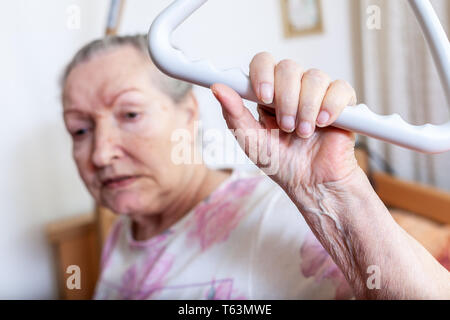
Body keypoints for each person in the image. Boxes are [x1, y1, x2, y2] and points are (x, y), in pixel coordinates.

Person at [61, 34, 450, 299]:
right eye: (79, 129)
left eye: (129, 114)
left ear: (189, 114)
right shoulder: (124, 231)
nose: (100, 154)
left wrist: (332, 194)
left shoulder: (275, 216)